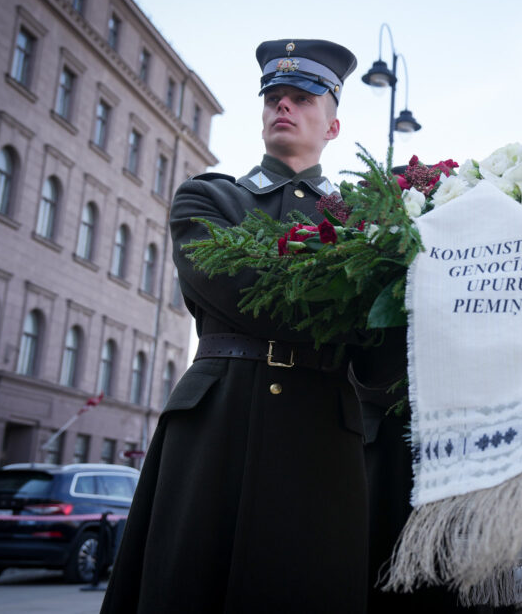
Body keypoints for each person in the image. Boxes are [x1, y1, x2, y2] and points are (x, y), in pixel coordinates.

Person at [101, 39, 370, 613]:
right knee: (192, 585)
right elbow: (242, 292)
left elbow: (379, 342)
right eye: (274, 97)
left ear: (334, 125)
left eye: (302, 98)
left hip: (321, 430)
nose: (284, 107)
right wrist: (348, 294)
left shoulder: (365, 221)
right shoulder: (208, 196)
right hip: (220, 423)